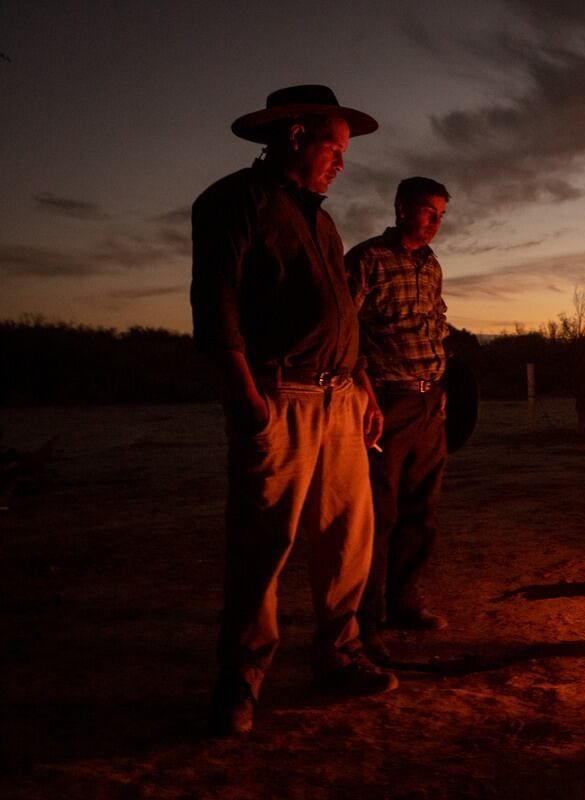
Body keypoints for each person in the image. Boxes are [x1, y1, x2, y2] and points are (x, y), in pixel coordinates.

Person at [191, 85, 397, 737]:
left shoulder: (322, 220)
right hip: (280, 395)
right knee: (263, 544)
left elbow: (341, 313)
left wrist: (362, 386)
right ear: (297, 137)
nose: (343, 162)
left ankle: (338, 652)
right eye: (335, 148)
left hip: (340, 397)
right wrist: (247, 398)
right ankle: (242, 677)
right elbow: (215, 307)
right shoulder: (233, 203)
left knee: (346, 538)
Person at [346, 177, 452, 658]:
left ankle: (404, 600)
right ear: (402, 207)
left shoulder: (431, 267)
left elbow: (438, 324)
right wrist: (365, 392)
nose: (434, 223)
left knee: (421, 510)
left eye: (441, 216)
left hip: (429, 401)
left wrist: (442, 384)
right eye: (429, 212)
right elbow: (344, 330)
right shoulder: (367, 259)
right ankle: (366, 619)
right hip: (386, 399)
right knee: (378, 513)